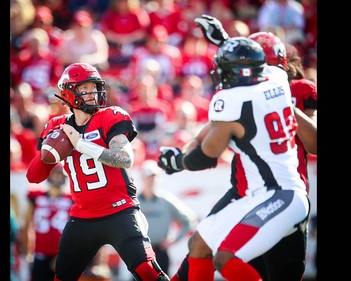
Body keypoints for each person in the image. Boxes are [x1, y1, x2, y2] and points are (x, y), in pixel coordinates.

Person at [168, 15, 317, 281]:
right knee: (199, 249)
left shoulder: (242, 96)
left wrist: (179, 162)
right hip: (246, 189)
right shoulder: (274, 83)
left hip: (280, 191)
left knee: (246, 264)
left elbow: (207, 155)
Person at [26, 62, 170, 281]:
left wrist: (80, 143)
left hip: (120, 211)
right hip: (82, 217)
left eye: (94, 87)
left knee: (148, 272)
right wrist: (50, 149)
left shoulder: (110, 116)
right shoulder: (56, 126)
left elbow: (124, 159)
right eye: (84, 88)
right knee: (62, 277)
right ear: (68, 93)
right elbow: (34, 176)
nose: (92, 93)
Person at [138, 159, 197, 274]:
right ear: (142, 178)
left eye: (153, 177)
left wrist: (174, 240)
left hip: (160, 252)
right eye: (148, 177)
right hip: (140, 252)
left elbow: (189, 220)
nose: (151, 181)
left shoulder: (166, 201)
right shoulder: (135, 202)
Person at [22, 164, 73, 281]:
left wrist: (64, 255)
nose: (57, 177)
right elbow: (25, 226)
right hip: (40, 255)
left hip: (62, 257)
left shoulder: (72, 200)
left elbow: (77, 232)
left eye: (60, 174)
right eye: (54, 174)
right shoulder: (35, 197)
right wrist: (27, 253)